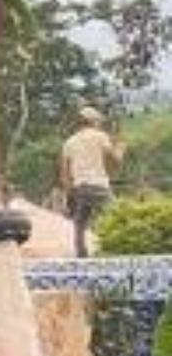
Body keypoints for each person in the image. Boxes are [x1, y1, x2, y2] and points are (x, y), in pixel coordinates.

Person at [59, 103, 123, 256]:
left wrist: (69, 192)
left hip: (79, 187)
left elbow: (64, 172)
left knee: (80, 223)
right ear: (93, 121)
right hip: (98, 184)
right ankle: (115, 249)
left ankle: (82, 255)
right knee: (117, 217)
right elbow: (115, 160)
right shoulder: (100, 136)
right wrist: (120, 149)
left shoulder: (69, 142)